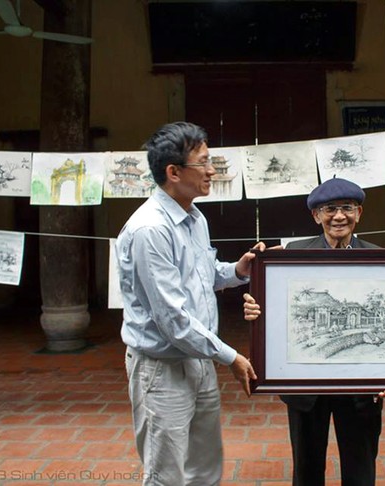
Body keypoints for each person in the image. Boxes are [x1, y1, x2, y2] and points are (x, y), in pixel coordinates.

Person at [117, 121, 263, 486]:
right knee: (166, 473)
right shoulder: (150, 229)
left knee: (205, 466)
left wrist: (238, 269)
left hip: (199, 358)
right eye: (204, 162)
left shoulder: (194, 218)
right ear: (173, 172)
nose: (212, 170)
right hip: (162, 367)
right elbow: (173, 320)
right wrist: (231, 357)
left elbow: (204, 275)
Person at [243, 177, 385, 486]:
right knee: (306, 472)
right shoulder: (292, 254)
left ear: (358, 213)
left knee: (361, 470)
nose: (338, 216)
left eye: (346, 208)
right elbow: (276, 305)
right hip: (305, 389)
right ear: (315, 215)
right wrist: (257, 310)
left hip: (361, 389)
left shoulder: (379, 256)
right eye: (329, 209)